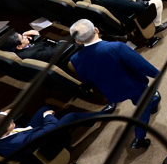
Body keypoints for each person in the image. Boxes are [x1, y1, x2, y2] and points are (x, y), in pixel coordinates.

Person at [68, 19, 161, 149]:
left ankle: (153, 102)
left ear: (77, 41)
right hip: (133, 86)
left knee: (144, 100)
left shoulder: (75, 59)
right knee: (144, 105)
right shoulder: (117, 47)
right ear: (96, 30)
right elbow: (140, 65)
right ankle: (140, 137)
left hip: (111, 91)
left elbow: (86, 79)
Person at [0, 105, 109, 160]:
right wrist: (48, 117)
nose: (12, 119)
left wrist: (2, 115)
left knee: (43, 108)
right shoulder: (21, 140)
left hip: (25, 135)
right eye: (9, 122)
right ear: (3, 133)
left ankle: (83, 121)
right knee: (70, 116)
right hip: (43, 145)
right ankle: (102, 115)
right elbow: (49, 129)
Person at [0, 28, 71, 63]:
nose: (25, 37)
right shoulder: (31, 54)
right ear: (19, 47)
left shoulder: (10, 47)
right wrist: (63, 42)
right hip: (57, 56)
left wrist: (24, 34)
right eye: (23, 38)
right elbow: (54, 53)